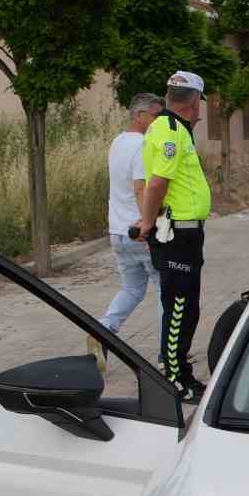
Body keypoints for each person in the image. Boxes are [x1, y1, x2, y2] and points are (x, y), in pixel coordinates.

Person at [133, 71, 213, 399]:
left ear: (169, 97)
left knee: (185, 306)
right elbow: (156, 183)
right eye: (198, 105)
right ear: (194, 102)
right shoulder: (169, 130)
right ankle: (174, 379)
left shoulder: (174, 129)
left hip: (186, 232)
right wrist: (147, 223)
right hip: (177, 233)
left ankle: (180, 370)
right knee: (180, 306)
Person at [96, 93, 164, 367]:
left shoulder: (117, 142)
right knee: (164, 290)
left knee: (132, 288)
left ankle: (101, 331)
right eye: (156, 116)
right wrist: (149, 222)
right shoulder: (143, 144)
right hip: (140, 231)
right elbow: (141, 188)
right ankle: (166, 355)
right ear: (140, 116)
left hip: (118, 231)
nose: (160, 121)